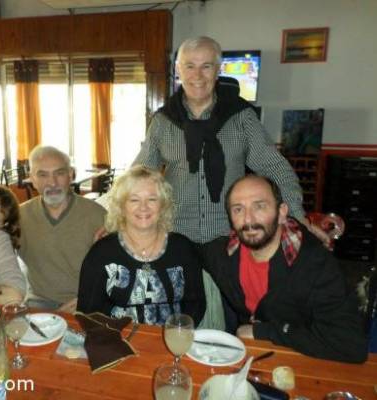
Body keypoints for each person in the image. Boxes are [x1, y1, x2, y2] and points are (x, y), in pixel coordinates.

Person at [134, 36, 326, 329]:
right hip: (176, 231)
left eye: (206, 66)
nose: (198, 75)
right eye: (190, 66)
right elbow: (139, 174)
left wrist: (297, 215)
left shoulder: (241, 117)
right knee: (173, 310)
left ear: (218, 69)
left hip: (227, 233)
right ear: (178, 71)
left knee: (244, 308)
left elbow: (275, 167)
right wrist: (111, 218)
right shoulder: (163, 121)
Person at [201, 174, 367, 363]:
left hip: (306, 360)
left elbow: (351, 345)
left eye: (259, 206)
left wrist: (263, 332)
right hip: (254, 359)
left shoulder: (316, 263)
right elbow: (185, 248)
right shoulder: (223, 254)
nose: (248, 219)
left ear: (282, 213)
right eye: (238, 209)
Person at [77, 166, 205, 326]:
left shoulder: (183, 248)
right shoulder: (101, 253)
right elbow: (89, 312)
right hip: (117, 341)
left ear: (163, 205)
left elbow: (196, 303)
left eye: (152, 199)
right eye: (134, 200)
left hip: (171, 341)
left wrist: (178, 332)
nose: (143, 207)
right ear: (121, 207)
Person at [19, 145, 106, 312]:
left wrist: (89, 298)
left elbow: (119, 267)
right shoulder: (19, 216)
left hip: (87, 301)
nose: (52, 183)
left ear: (71, 175)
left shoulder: (98, 216)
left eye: (59, 173)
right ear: (32, 178)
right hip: (39, 302)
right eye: (42, 175)